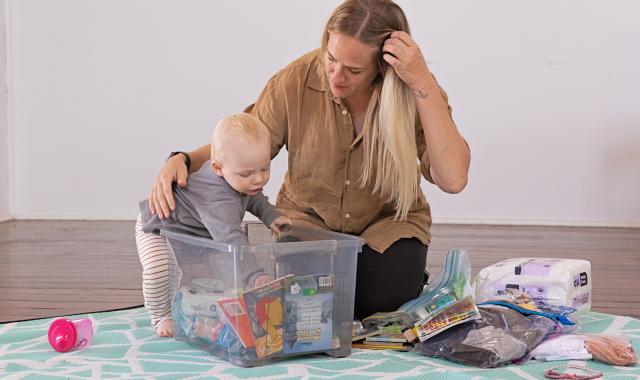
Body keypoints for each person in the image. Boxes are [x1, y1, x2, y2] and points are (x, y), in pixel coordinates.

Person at [149, 0, 470, 320]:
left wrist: (422, 82)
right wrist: (185, 159)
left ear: (382, 67)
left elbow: (453, 179)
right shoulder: (293, 81)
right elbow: (241, 140)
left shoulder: (414, 90)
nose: (336, 76)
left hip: (389, 223)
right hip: (308, 221)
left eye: (354, 70)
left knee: (379, 301)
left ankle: (399, 278)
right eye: (331, 59)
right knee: (308, 300)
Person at [135, 113, 292, 337]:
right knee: (159, 270)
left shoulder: (236, 176)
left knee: (216, 278)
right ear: (217, 168)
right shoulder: (218, 200)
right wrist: (256, 275)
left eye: (264, 168)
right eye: (247, 173)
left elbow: (254, 198)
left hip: (192, 231)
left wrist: (271, 216)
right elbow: (232, 240)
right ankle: (161, 315)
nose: (258, 179)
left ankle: (198, 303)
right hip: (159, 227)